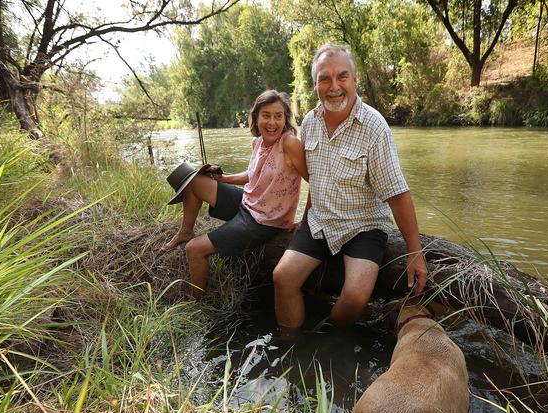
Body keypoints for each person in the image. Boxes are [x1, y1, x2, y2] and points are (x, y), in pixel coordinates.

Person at [273, 43, 428, 331]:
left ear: (355, 81)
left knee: (356, 297)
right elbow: (315, 177)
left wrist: (415, 252)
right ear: (315, 84)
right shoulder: (309, 122)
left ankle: (328, 336)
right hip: (320, 220)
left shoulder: (374, 127)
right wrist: (305, 217)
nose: (334, 86)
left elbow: (397, 193)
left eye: (342, 77)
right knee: (283, 277)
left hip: (364, 225)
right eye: (324, 78)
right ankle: (290, 344)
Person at [162, 90, 308, 299]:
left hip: (265, 221)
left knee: (194, 249)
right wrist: (224, 179)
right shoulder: (257, 143)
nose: (272, 122)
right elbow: (253, 174)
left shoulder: (290, 143)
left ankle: (197, 305)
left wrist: (306, 219)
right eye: (266, 115)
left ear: (285, 119)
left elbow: (314, 180)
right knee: (194, 181)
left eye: (278, 116)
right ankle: (186, 231)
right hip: (247, 202)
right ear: (256, 118)